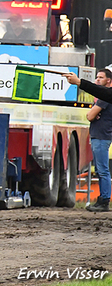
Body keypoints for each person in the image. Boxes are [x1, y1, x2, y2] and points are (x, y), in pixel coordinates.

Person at [66, 70, 112, 212]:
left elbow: (90, 115)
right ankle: (103, 199)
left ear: (109, 81)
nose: (97, 80)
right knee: (100, 169)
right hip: (102, 135)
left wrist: (79, 82)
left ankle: (104, 200)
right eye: (96, 77)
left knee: (102, 170)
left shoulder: (104, 96)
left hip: (101, 136)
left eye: (101, 78)